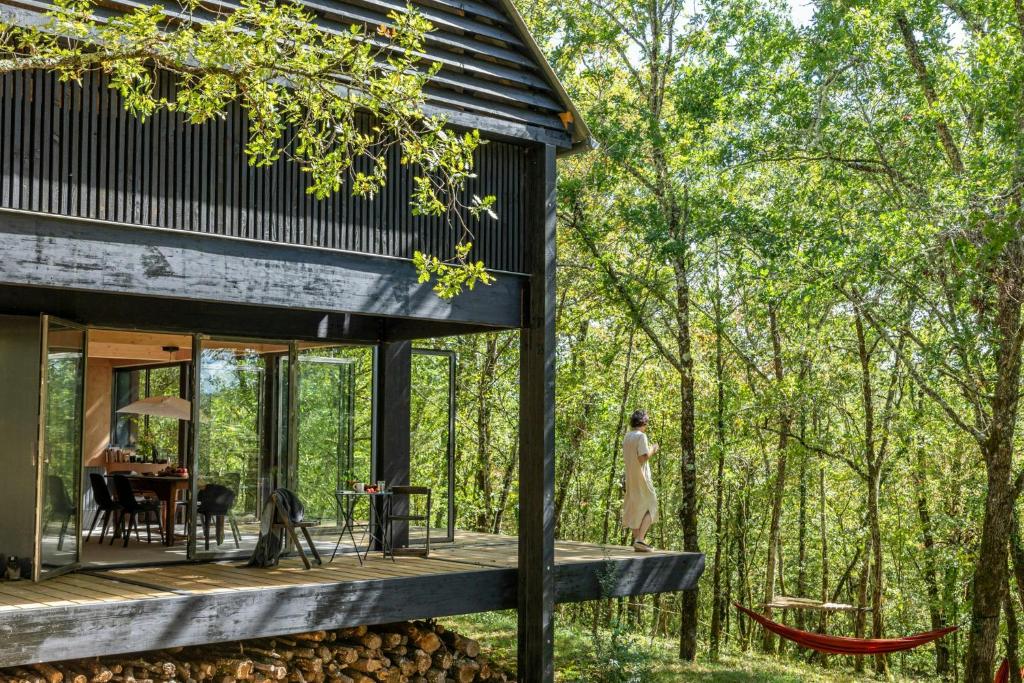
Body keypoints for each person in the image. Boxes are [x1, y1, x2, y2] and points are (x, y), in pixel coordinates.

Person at [622, 409, 659, 552]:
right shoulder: (641, 436)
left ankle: (638, 543)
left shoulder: (627, 436)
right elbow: (643, 457)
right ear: (643, 422)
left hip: (631, 476)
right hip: (642, 477)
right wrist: (653, 449)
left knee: (635, 507)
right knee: (652, 505)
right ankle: (640, 539)